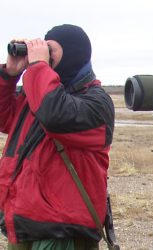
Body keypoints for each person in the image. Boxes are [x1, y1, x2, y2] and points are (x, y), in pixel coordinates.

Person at [0, 24, 115, 249]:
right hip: (25, 222)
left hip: (62, 231)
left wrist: (38, 67)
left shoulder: (96, 102)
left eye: (50, 50)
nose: (44, 56)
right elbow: (5, 118)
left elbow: (54, 115)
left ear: (72, 54)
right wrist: (9, 75)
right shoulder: (38, 94)